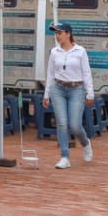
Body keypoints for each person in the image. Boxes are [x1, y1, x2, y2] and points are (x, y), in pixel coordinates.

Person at [43, 22, 94, 169]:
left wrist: (90, 93)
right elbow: (50, 74)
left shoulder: (80, 51)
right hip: (58, 88)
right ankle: (64, 156)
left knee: (75, 125)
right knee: (62, 123)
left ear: (68, 34)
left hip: (76, 88)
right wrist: (46, 94)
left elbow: (86, 73)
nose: (58, 36)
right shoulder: (54, 52)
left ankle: (85, 143)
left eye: (60, 33)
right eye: (56, 33)